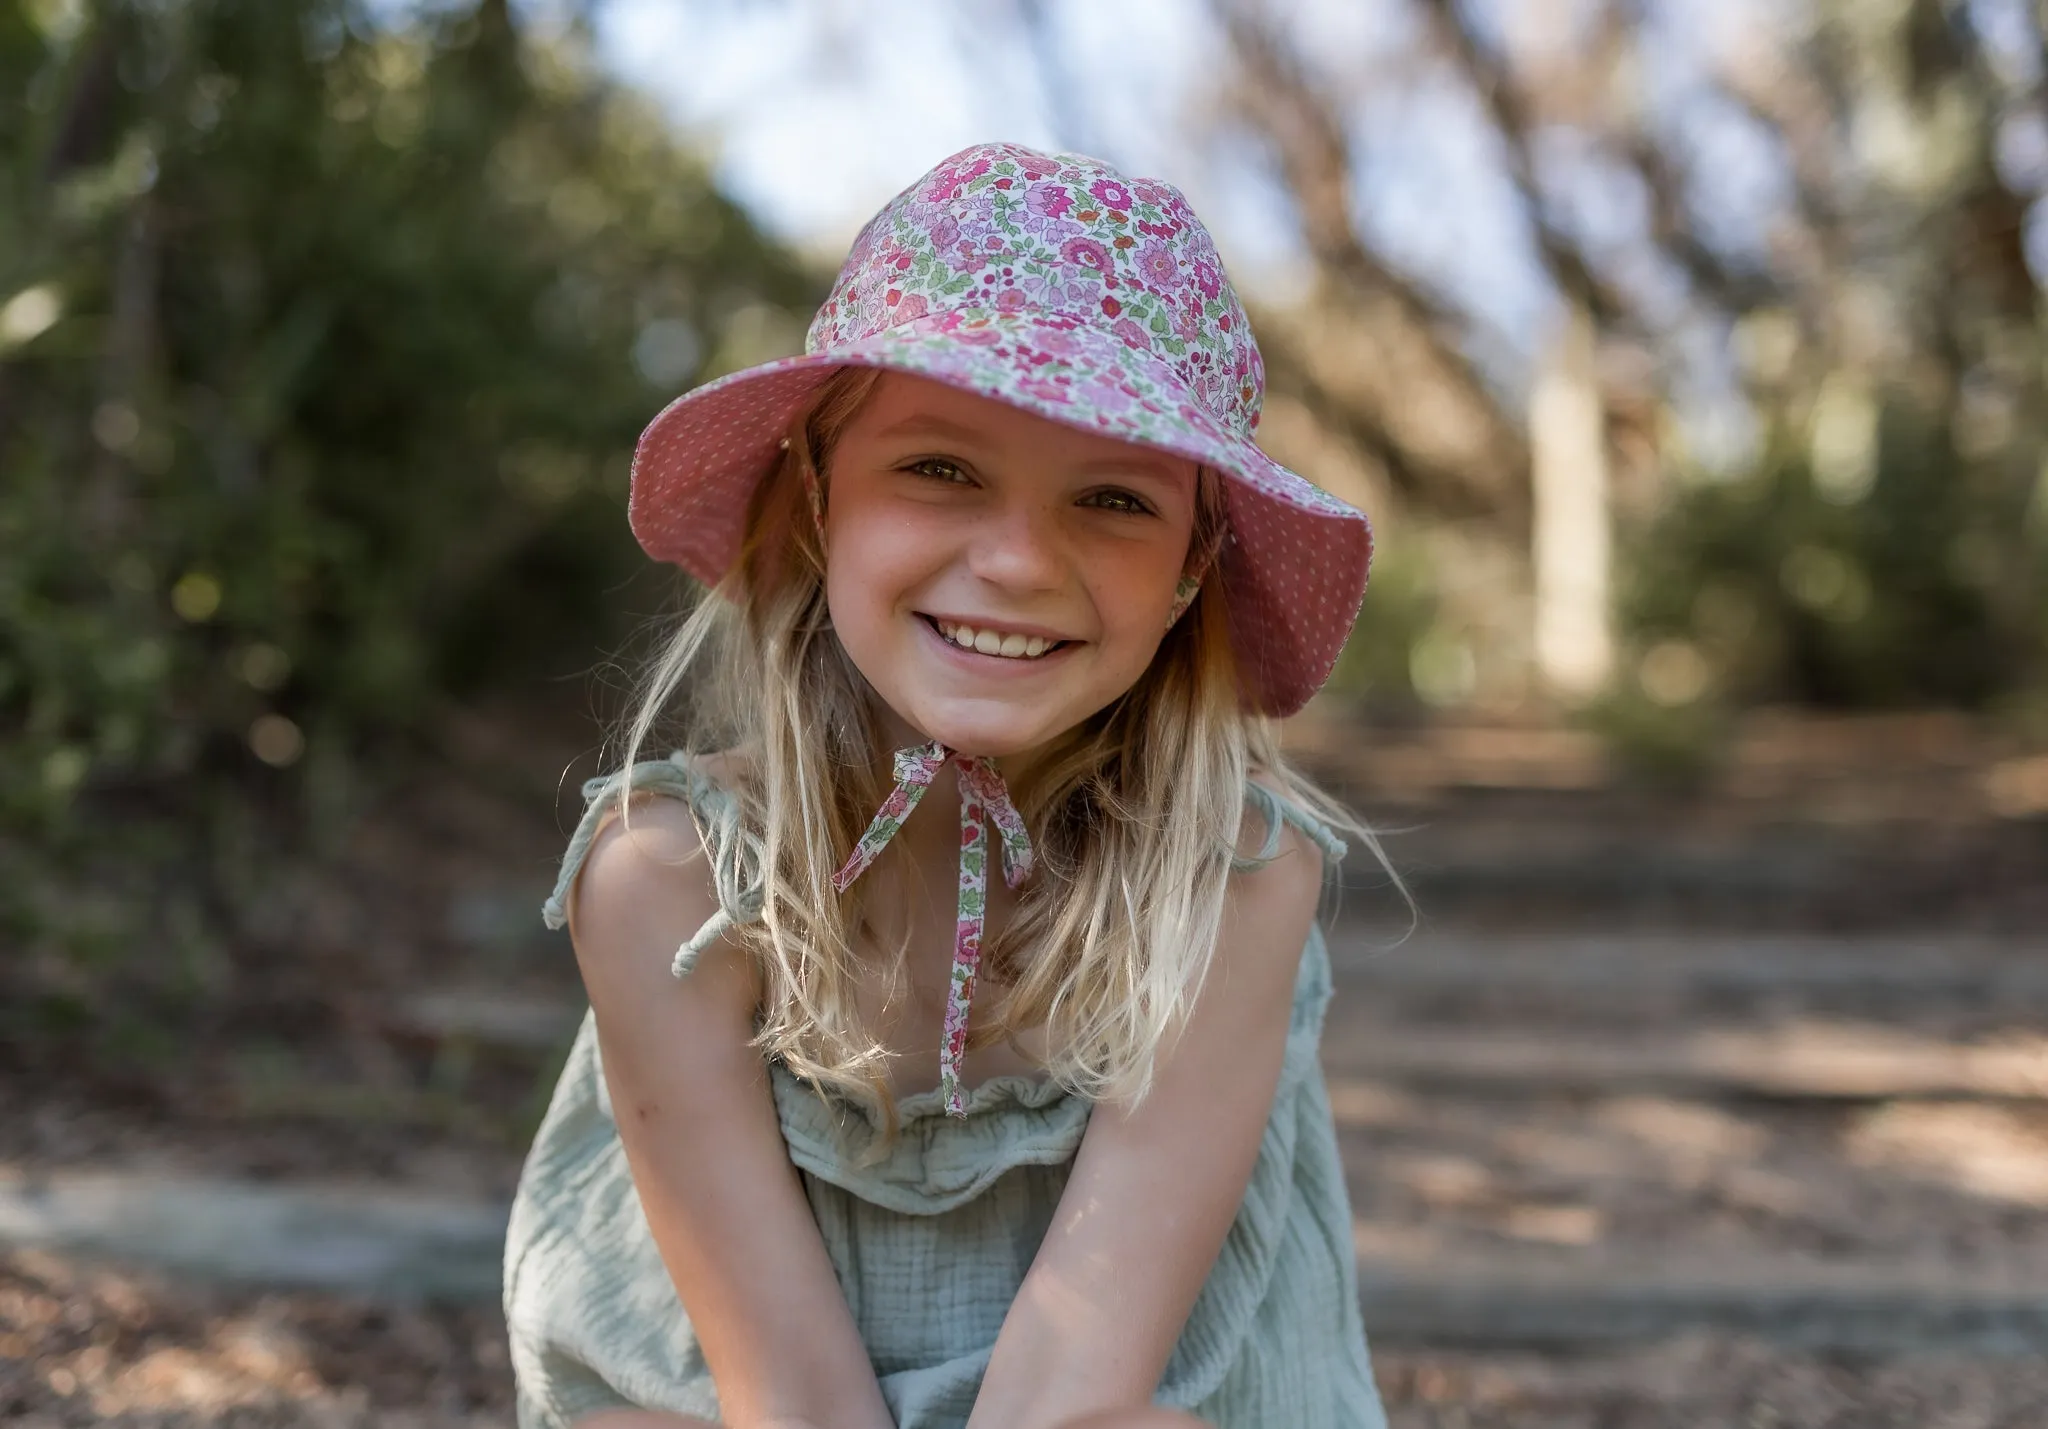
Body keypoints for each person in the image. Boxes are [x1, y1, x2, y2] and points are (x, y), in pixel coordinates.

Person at [504, 141, 1397, 1429]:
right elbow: (790, 1405)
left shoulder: (1234, 882)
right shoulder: (667, 879)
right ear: (815, 501)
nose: (1023, 561)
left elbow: (1071, 1401)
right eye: (939, 470)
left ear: (1193, 568)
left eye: (1112, 499)